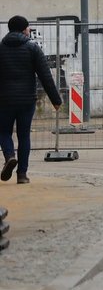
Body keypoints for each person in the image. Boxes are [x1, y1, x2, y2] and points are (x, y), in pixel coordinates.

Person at [0, 15, 63, 184]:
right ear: (24, 29)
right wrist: (55, 100)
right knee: (24, 135)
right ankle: (22, 175)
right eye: (28, 28)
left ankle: (9, 156)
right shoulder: (32, 48)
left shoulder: (1, 47)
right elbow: (45, 75)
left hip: (4, 100)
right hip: (27, 100)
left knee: (4, 132)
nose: (29, 31)